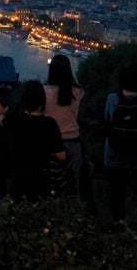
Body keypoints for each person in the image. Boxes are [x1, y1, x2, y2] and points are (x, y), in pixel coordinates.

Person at [0, 80, 67, 202]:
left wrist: (0, 113)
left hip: (18, 179)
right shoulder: (49, 124)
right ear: (42, 100)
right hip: (42, 179)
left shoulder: (14, 120)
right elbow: (61, 155)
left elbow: (4, 121)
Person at [104, 62, 137, 223]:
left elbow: (107, 119)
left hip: (114, 153)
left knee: (116, 193)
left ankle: (118, 223)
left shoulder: (112, 99)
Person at [43, 54, 85, 197]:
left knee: (50, 184)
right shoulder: (77, 91)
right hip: (73, 141)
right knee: (73, 184)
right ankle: (74, 216)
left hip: (50, 144)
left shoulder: (45, 92)